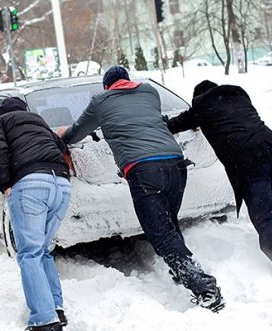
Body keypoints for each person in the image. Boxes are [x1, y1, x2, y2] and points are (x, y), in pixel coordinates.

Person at [57, 66, 225, 312]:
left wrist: (62, 135)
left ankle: (202, 285)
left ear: (107, 86)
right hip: (176, 165)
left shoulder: (100, 101)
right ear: (128, 80)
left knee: (160, 234)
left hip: (144, 170)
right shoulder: (149, 92)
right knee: (168, 223)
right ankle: (183, 270)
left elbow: (75, 133)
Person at [167, 80, 272, 273]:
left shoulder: (202, 106)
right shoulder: (238, 94)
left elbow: (174, 125)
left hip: (249, 158)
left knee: (264, 215)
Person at [0, 97, 71, 331]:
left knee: (29, 253)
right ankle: (56, 309)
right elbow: (61, 148)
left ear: (2, 112)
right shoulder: (39, 123)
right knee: (42, 250)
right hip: (60, 185)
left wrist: (4, 182)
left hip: (31, 185)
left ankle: (44, 319)